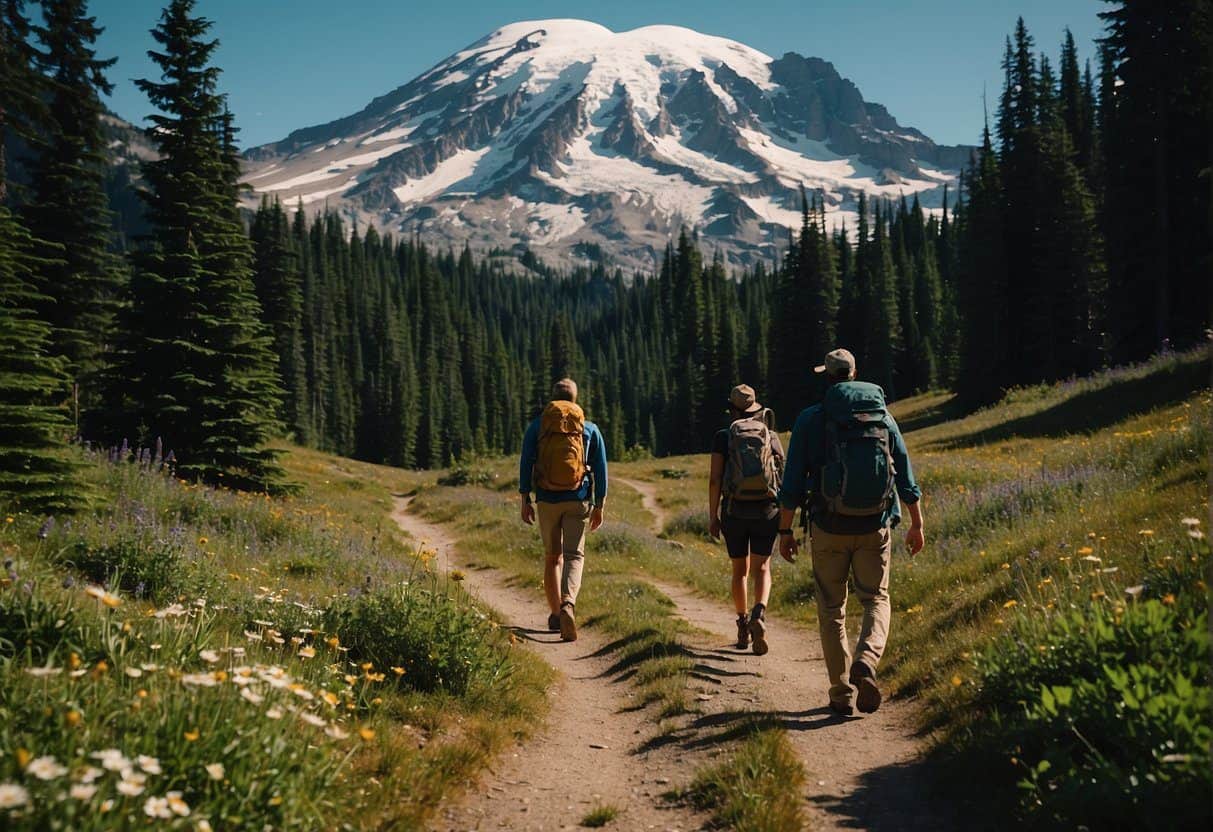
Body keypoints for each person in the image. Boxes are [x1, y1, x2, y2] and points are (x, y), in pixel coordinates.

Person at [777, 348, 925, 716]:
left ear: (828, 378)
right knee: (876, 599)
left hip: (828, 527)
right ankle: (867, 660)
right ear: (855, 373)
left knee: (832, 608)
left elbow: (792, 483)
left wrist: (784, 531)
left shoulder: (812, 418)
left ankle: (841, 693)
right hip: (875, 526)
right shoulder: (883, 417)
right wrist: (917, 523)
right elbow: (905, 474)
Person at [518, 378, 608, 642]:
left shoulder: (538, 427)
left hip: (546, 499)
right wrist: (599, 503)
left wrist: (525, 498)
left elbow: (526, 463)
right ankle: (568, 603)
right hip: (577, 498)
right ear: (575, 399)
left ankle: (556, 615)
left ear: (554, 398)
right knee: (574, 556)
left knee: (551, 558)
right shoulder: (588, 428)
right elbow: (601, 469)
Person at [709, 384, 784, 655]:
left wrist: (712, 517)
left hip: (734, 511)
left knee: (739, 570)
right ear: (755, 408)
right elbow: (781, 474)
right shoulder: (771, 435)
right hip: (767, 511)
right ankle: (759, 615)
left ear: (732, 409)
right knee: (762, 568)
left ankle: (742, 625)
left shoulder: (723, 436)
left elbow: (715, 479)